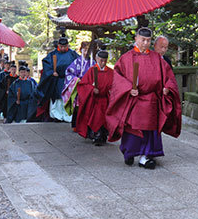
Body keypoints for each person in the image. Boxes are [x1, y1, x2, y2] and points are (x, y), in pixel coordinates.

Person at [106, 27, 182, 169]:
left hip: (152, 99)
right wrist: (128, 88)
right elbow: (117, 77)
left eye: (148, 40)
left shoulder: (156, 58)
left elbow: (168, 75)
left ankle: (145, 157)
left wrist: (167, 87)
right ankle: (129, 153)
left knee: (150, 130)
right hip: (134, 100)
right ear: (136, 39)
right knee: (132, 129)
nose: (146, 43)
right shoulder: (126, 58)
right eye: (143, 40)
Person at [36, 37, 79, 122]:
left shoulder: (73, 54)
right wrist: (52, 72)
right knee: (57, 99)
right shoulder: (52, 54)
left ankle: (68, 116)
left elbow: (79, 63)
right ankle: (57, 116)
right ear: (58, 45)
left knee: (67, 98)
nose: (63, 48)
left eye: (65, 46)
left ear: (67, 45)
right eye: (61, 46)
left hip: (68, 80)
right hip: (57, 79)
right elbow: (46, 64)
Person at [76, 50, 114, 145]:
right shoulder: (91, 70)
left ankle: (103, 135)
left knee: (105, 118)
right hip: (94, 100)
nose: (103, 63)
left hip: (105, 98)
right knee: (95, 117)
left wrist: (111, 91)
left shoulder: (110, 72)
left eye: (105, 60)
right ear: (96, 59)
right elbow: (83, 84)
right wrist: (91, 89)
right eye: (101, 60)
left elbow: (115, 85)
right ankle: (96, 135)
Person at [61, 41, 93, 129]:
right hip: (79, 86)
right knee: (78, 107)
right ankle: (76, 125)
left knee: (88, 106)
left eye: (88, 50)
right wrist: (76, 80)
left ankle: (86, 125)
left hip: (89, 87)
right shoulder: (76, 62)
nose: (86, 52)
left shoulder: (92, 62)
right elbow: (69, 72)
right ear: (81, 50)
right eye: (84, 50)